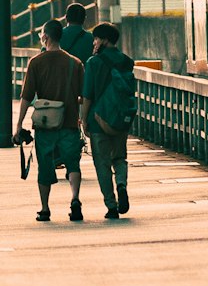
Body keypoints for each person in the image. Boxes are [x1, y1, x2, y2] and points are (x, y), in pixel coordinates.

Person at [13, 19, 86, 223]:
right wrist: (82, 117)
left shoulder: (36, 62)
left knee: (45, 166)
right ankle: (75, 199)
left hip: (45, 125)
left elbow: (26, 97)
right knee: (73, 163)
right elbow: (83, 95)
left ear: (45, 37)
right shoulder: (75, 63)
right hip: (70, 122)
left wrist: (18, 125)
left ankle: (45, 209)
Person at [81, 22, 136, 221]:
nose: (94, 42)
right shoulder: (126, 61)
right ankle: (121, 183)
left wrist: (84, 119)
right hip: (121, 119)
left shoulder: (93, 63)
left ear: (103, 39)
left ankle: (111, 206)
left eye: (96, 38)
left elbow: (87, 95)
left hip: (98, 120)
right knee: (119, 158)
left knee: (102, 164)